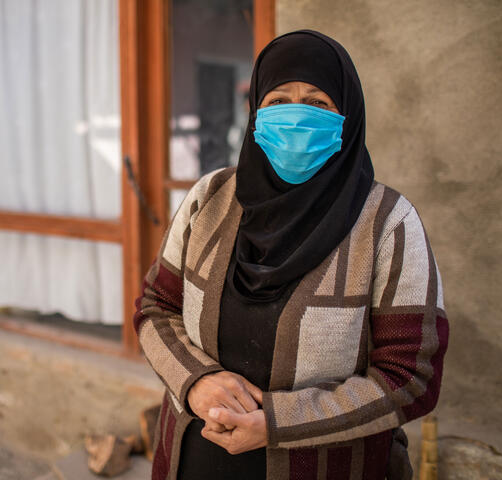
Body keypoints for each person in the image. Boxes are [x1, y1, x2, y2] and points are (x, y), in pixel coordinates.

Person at [133, 30, 449, 480]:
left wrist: (279, 425)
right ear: (255, 113)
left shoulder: (387, 223)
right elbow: (156, 307)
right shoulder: (211, 198)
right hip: (195, 460)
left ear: (349, 117)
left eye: (318, 104)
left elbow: (411, 375)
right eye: (278, 102)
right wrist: (195, 381)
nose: (296, 118)